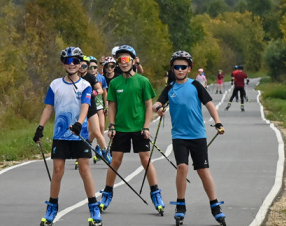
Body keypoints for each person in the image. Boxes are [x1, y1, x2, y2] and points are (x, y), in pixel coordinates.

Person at [153, 51, 227, 225]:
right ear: (172, 68)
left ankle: (215, 205)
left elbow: (209, 104)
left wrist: (218, 123)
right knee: (182, 167)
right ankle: (180, 205)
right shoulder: (170, 88)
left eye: (183, 67)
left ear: (189, 68)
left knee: (203, 171)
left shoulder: (195, 85)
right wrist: (158, 109)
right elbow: (157, 103)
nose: (179, 70)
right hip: (179, 136)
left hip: (198, 135)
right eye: (176, 67)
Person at [33, 47, 102, 226]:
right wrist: (40, 127)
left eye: (75, 62)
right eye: (68, 61)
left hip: (79, 134)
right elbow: (49, 107)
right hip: (60, 135)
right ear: (63, 64)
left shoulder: (85, 85)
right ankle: (52, 208)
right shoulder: (55, 84)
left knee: (84, 170)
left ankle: (94, 208)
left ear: (80, 64)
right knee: (57, 172)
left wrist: (79, 123)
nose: (71, 65)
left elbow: (85, 106)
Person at [99, 45, 165, 215]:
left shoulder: (143, 81)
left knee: (145, 159)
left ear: (134, 61)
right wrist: (111, 125)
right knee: (116, 160)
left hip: (139, 128)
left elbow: (148, 104)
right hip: (121, 127)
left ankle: (156, 193)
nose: (123, 63)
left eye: (127, 59)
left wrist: (146, 126)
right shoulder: (114, 83)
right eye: (120, 60)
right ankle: (107, 193)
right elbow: (112, 105)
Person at [80, 56, 109, 164]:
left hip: (92, 106)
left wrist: (94, 93)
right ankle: (81, 156)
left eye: (85, 66)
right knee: (83, 132)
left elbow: (101, 90)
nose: (82, 68)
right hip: (80, 108)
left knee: (97, 130)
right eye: (81, 65)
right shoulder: (75, 77)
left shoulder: (90, 77)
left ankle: (105, 152)